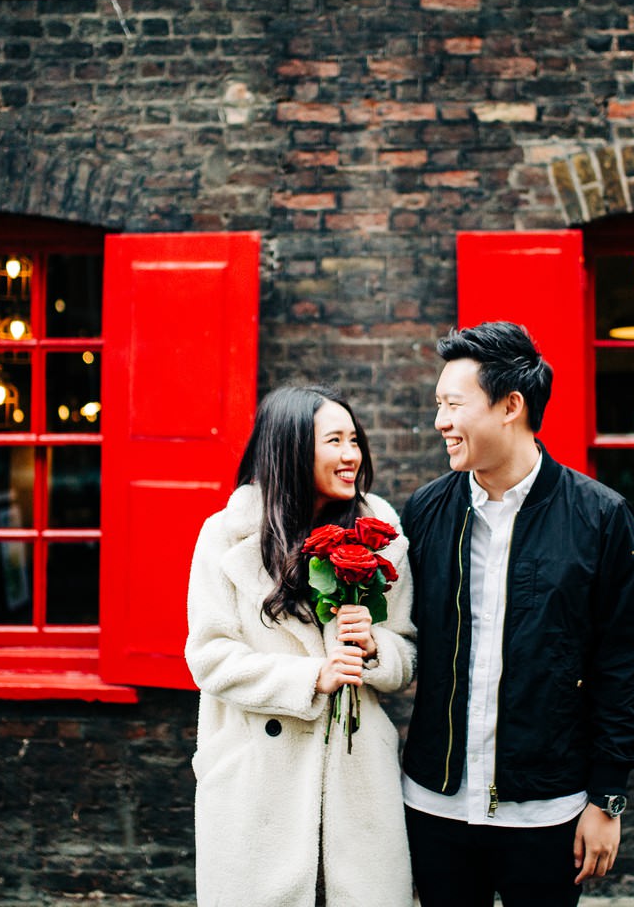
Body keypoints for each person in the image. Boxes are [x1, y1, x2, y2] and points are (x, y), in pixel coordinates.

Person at [400, 321, 634, 906]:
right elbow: (402, 640)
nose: (440, 421)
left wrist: (607, 799)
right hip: (434, 807)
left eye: (453, 405)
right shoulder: (423, 513)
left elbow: (625, 665)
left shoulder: (601, 517)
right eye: (438, 404)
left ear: (511, 405)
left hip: (548, 812)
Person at [185, 385, 416, 907]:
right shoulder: (225, 537)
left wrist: (374, 648)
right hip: (257, 784)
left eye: (354, 439)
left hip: (356, 781)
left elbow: (407, 655)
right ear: (290, 449)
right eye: (334, 441)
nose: (351, 454)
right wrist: (313, 678)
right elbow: (209, 657)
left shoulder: (383, 535)